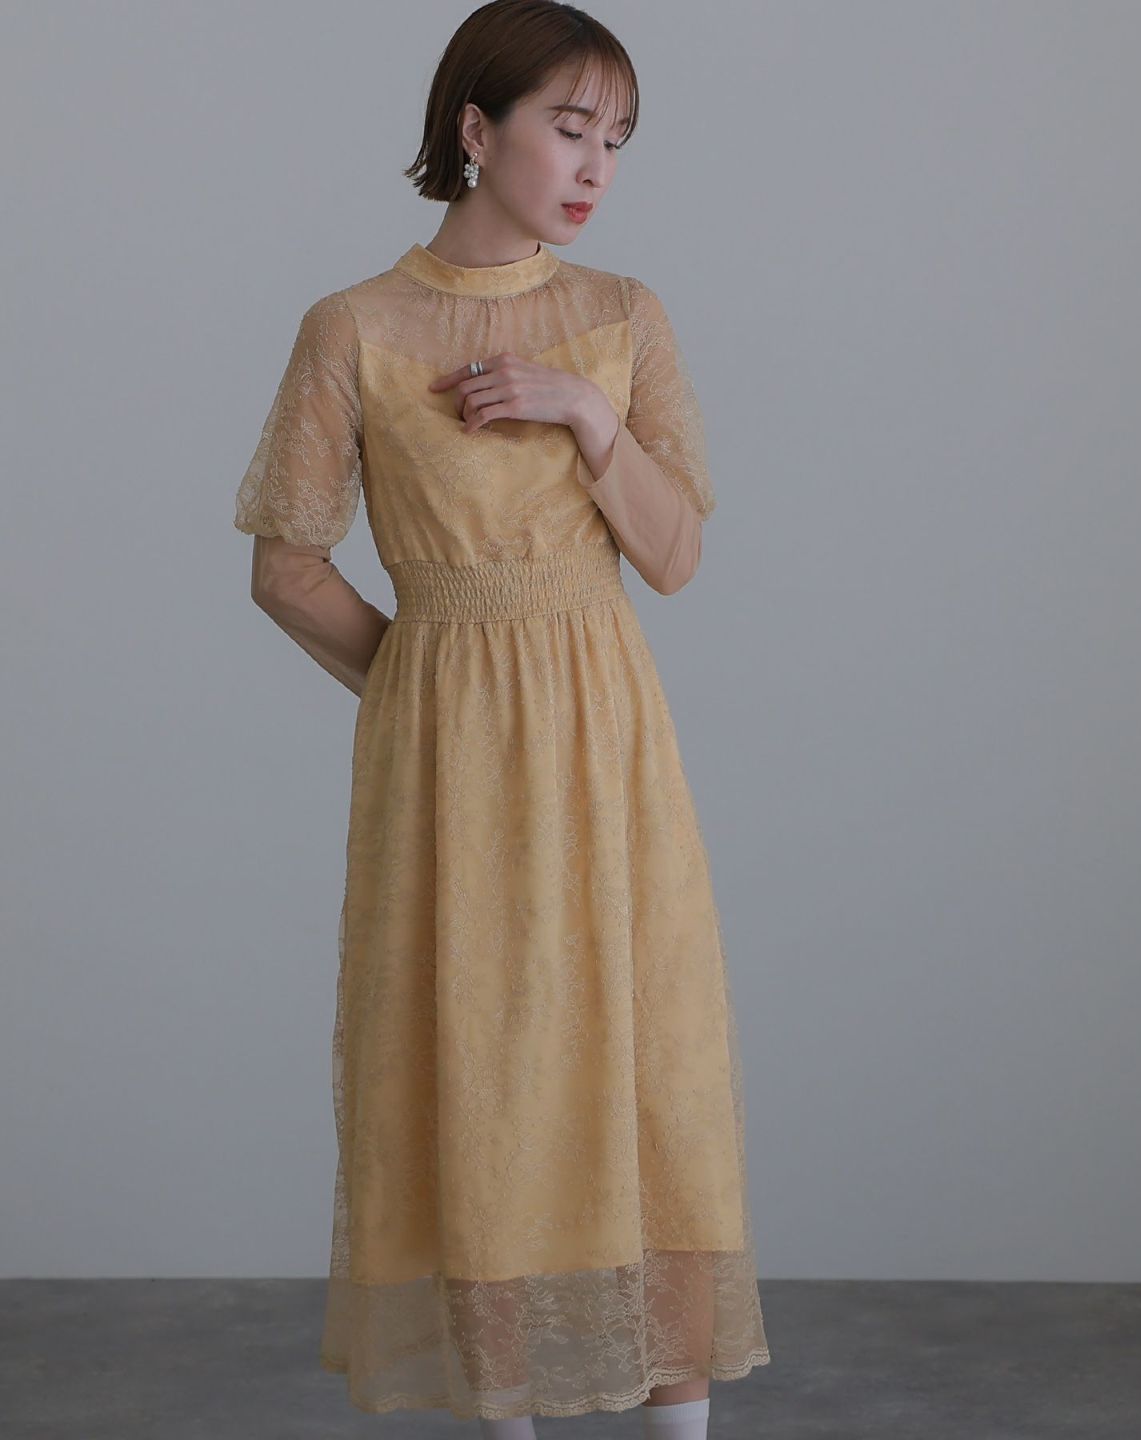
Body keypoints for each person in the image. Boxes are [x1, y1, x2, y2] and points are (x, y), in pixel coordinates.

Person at [232, 2, 770, 1434]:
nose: (596, 166)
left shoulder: (624, 316)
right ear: (477, 130)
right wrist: (427, 684)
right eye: (569, 128)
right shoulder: (354, 327)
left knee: (651, 1068)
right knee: (477, 1073)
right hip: (448, 765)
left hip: (611, 741)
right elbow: (285, 566)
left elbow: (676, 555)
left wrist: (586, 418)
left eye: (618, 140)